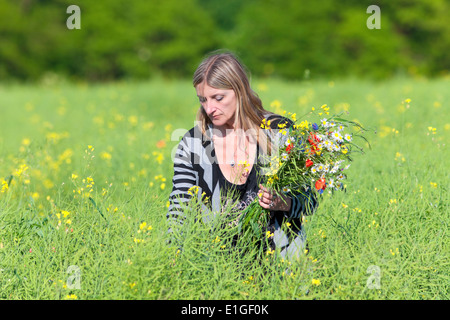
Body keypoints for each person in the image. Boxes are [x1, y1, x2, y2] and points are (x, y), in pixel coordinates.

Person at [167, 51, 317, 260]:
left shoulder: (280, 132)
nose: (209, 108)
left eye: (218, 98)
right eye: (203, 100)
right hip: (219, 270)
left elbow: (310, 200)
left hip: (284, 268)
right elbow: (179, 206)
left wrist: (282, 202)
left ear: (239, 91)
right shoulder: (192, 143)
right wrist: (172, 256)